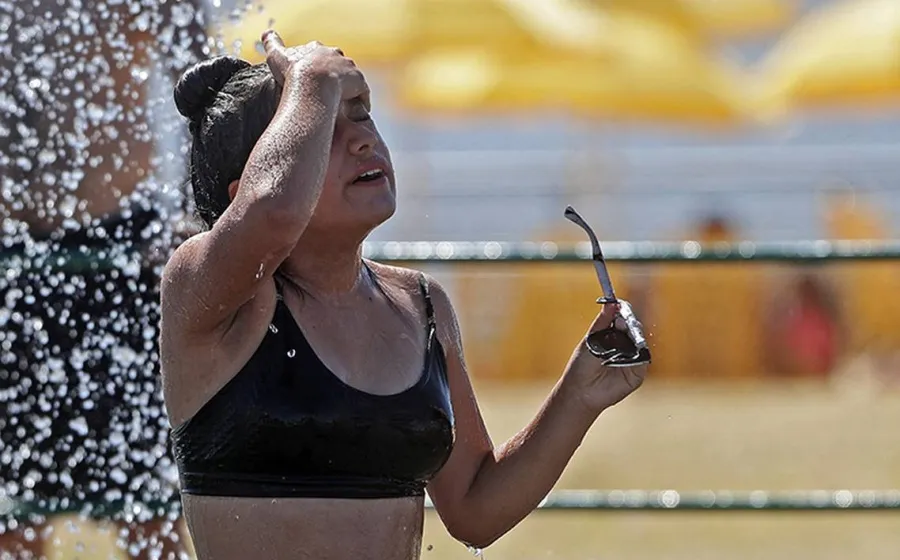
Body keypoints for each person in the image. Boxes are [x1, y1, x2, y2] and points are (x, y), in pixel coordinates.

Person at [161, 30, 647, 560]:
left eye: (362, 113)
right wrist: (310, 76)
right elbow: (270, 214)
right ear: (244, 190)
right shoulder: (210, 294)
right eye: (323, 128)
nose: (364, 140)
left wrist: (578, 394)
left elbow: (473, 510)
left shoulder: (419, 303)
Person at [0, 1, 208, 558]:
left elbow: (204, 87)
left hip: (123, 244)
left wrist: (196, 214)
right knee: (10, 511)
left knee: (151, 505)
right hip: (11, 256)